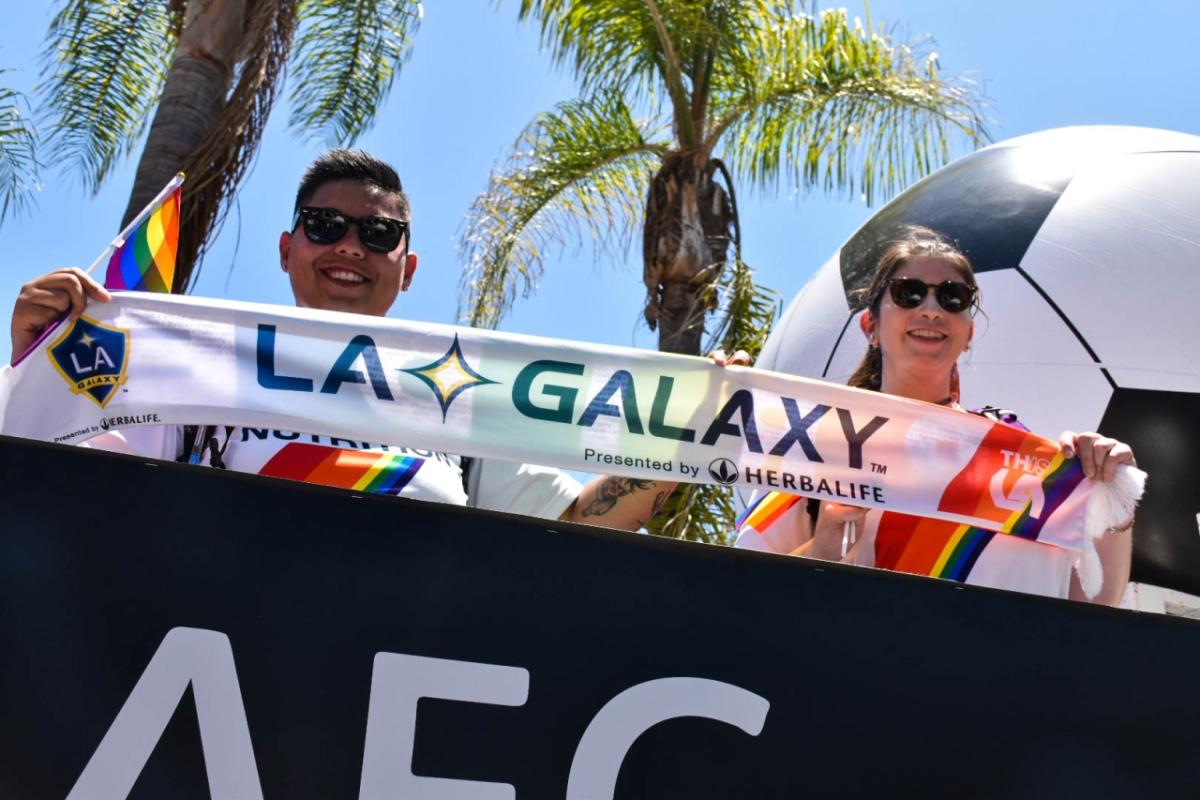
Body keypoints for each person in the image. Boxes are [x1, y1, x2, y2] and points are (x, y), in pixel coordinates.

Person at [8, 149, 689, 531]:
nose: (349, 247)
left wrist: (681, 437)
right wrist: (42, 357)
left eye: (378, 233)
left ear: (407, 266)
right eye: (325, 224)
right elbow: (69, 479)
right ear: (286, 248)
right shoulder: (196, 372)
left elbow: (573, 524)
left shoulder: (463, 402)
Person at [735, 226, 1135, 605]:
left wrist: (1114, 500)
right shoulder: (819, 443)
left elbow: (1094, 603)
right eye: (908, 293)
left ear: (968, 333)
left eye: (952, 298)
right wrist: (825, 546)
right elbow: (744, 599)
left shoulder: (1016, 452)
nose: (931, 309)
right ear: (870, 325)